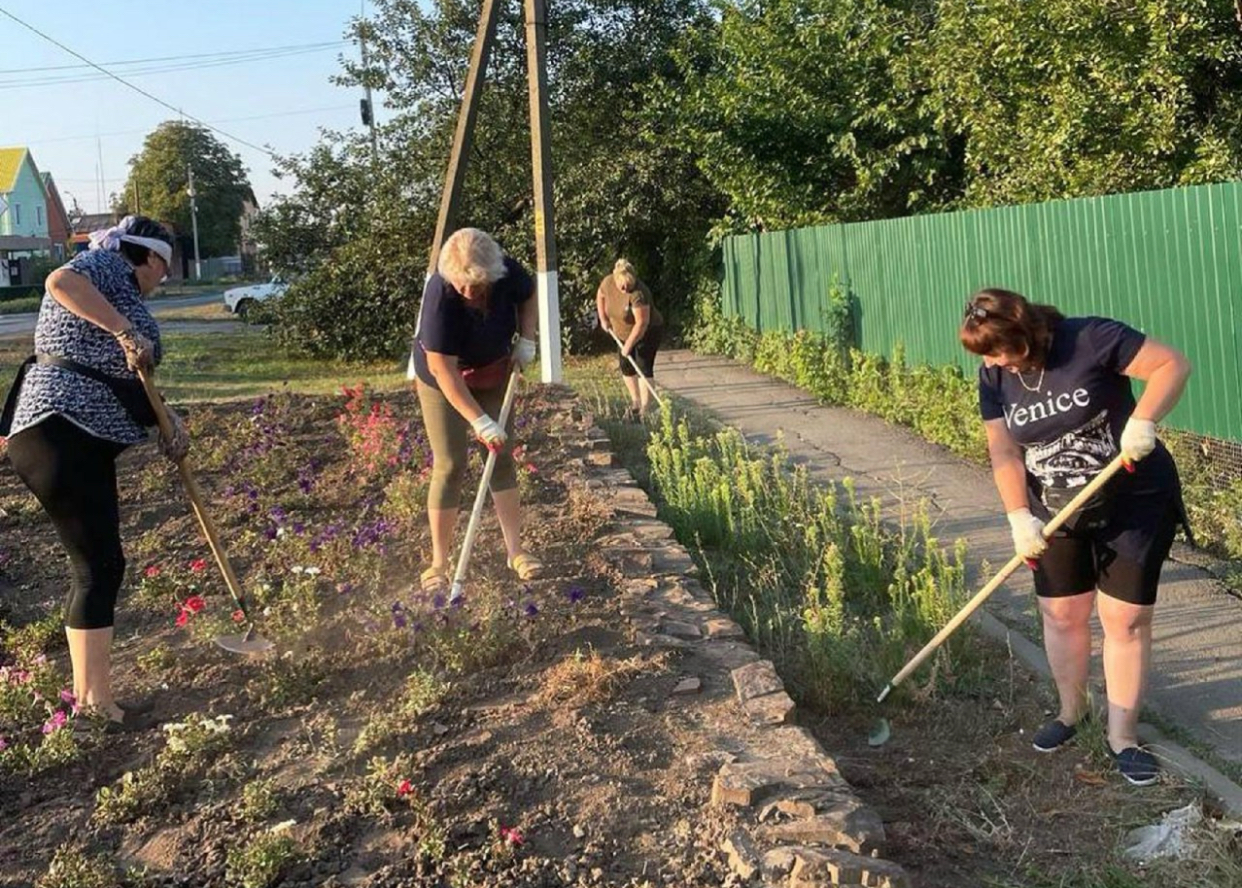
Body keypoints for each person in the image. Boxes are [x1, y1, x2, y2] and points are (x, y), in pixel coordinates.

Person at [960, 288, 1192, 786]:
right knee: (1061, 612)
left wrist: (1143, 420)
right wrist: (1018, 516)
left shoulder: (1088, 337)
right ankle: (1072, 713)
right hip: (1056, 509)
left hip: (1131, 498)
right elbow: (1003, 450)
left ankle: (1122, 737)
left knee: (1124, 618)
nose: (998, 362)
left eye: (1003, 350)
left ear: (1027, 331)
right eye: (988, 355)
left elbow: (1171, 365)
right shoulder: (994, 374)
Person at [0, 215, 189, 731]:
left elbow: (128, 381)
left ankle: (91, 697)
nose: (162, 282)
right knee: (98, 566)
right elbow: (60, 283)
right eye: (164, 270)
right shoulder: (104, 267)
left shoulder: (123, 297)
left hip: (76, 437)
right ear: (149, 258)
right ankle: (93, 704)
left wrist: (168, 422)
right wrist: (126, 331)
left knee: (100, 564)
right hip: (57, 429)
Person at [408, 228, 541, 594]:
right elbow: (443, 370)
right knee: (450, 463)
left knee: (501, 457)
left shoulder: (506, 273)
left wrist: (527, 339)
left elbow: (529, 295)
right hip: (443, 380)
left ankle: (516, 552)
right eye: (462, 286)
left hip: (495, 370)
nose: (469, 293)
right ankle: (438, 563)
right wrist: (479, 421)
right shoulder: (439, 295)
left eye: (477, 286)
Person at [596, 259, 664, 420]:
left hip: (648, 332)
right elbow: (600, 296)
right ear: (616, 279)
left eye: (629, 285)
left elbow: (642, 323)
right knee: (626, 366)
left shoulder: (639, 294)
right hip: (621, 332)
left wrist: (629, 345)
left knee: (643, 366)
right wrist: (603, 319)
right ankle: (636, 403)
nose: (626, 288)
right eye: (623, 286)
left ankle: (645, 411)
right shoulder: (608, 283)